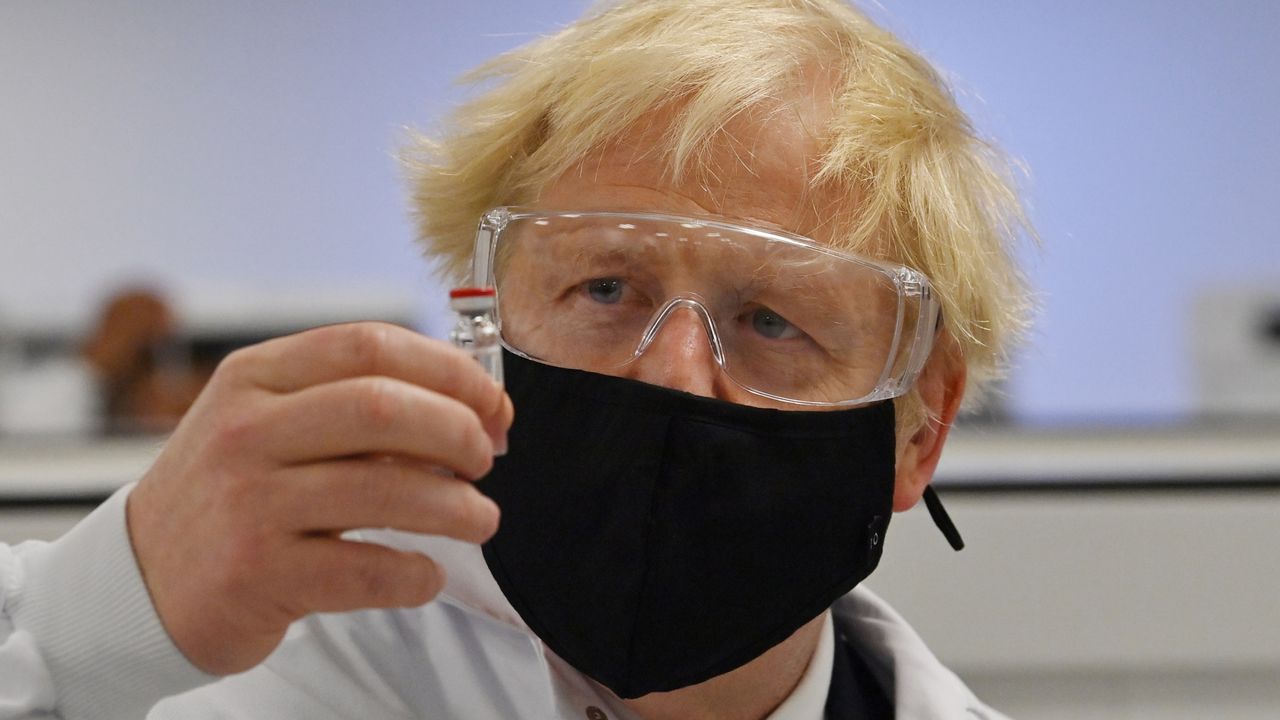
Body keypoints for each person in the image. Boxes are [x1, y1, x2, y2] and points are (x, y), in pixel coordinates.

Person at [0, 1, 1031, 718]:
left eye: (770, 319)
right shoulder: (246, 664)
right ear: (486, 324)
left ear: (920, 429)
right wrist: (97, 622)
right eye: (604, 289)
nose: (671, 373)